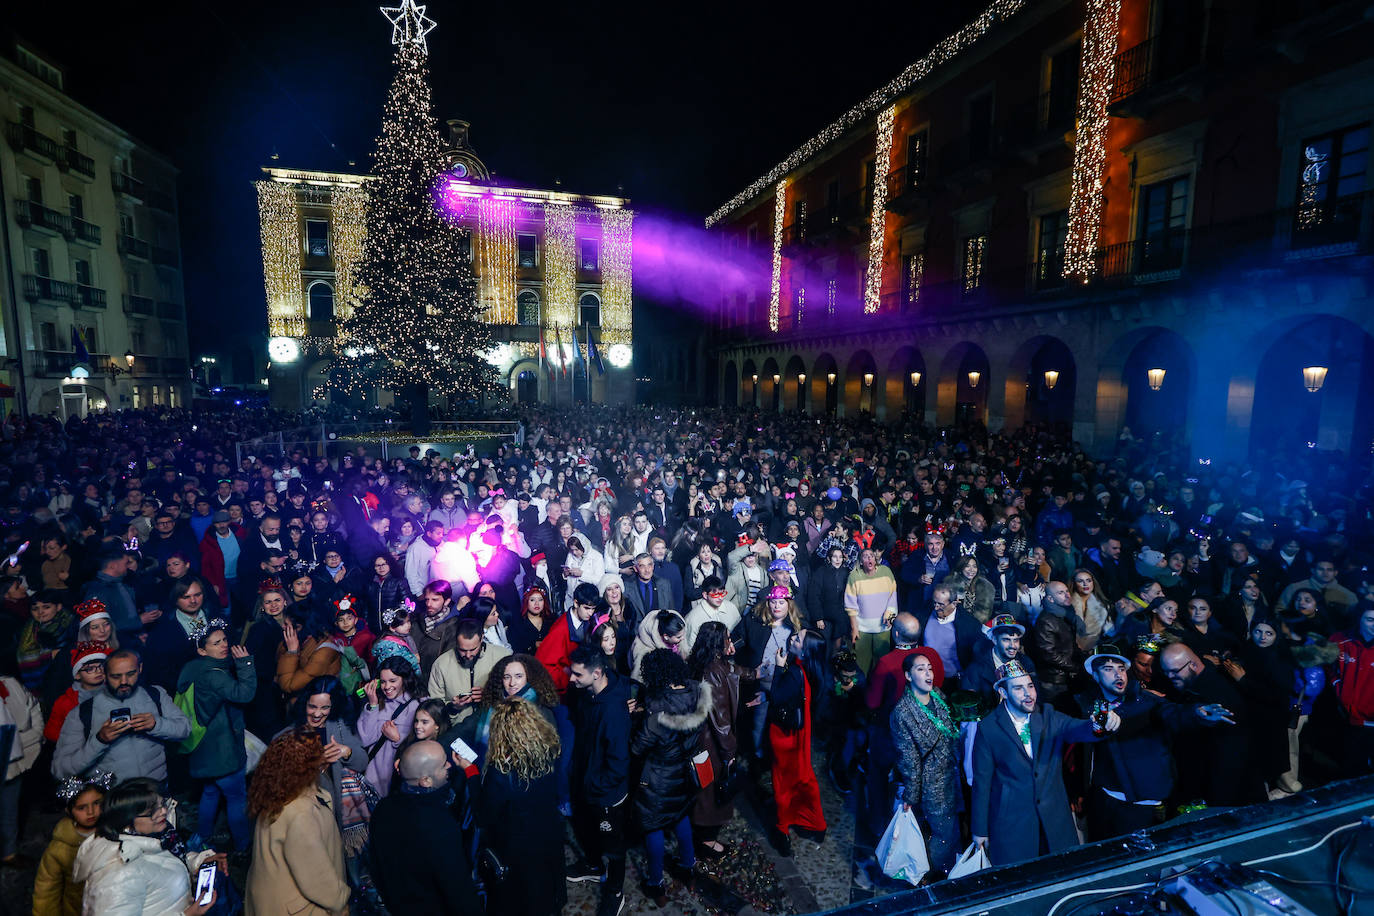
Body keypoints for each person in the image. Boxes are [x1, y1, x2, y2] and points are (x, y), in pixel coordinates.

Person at [1073, 645, 1234, 841]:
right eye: (1108, 669)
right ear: (1096, 676)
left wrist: (1196, 713)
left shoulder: (1146, 701)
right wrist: (1079, 791)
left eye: (1121, 668)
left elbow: (1173, 713)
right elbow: (1079, 752)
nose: (1118, 675)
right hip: (1105, 799)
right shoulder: (1085, 706)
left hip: (1142, 804)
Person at [970, 659, 1119, 866]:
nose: (1028, 694)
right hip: (1012, 824)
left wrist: (1101, 725)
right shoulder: (988, 728)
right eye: (1019, 688)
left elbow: (1079, 729)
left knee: (1061, 876)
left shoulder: (1049, 716)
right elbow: (981, 782)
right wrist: (979, 829)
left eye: (1030, 686)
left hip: (1054, 820)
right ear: (1003, 693)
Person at [459, 698, 565, 916]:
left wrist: (470, 771)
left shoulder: (501, 773)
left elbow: (483, 816)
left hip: (516, 849)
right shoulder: (549, 752)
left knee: (519, 900)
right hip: (548, 839)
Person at [71, 777, 219, 916]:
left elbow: (164, 862)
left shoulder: (156, 835)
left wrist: (198, 862)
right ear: (127, 821)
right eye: (151, 811)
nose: (162, 812)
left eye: (162, 804)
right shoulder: (119, 873)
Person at [369, 740, 482, 916]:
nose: (449, 766)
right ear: (426, 781)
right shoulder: (439, 825)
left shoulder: (383, 808)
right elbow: (457, 889)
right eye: (443, 764)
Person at [244, 731, 351, 916]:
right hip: (297, 908)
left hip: (269, 900)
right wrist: (341, 900)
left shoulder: (275, 794)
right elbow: (317, 879)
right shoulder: (301, 814)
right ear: (305, 767)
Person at [631, 649, 708, 905]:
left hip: (658, 777)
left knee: (654, 827)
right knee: (680, 816)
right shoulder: (697, 691)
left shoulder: (656, 707)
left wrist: (636, 717)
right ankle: (687, 868)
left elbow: (638, 747)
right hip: (685, 771)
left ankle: (656, 886)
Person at [175, 619, 256, 853]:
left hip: (202, 746)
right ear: (202, 650)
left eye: (224, 640)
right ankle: (242, 847)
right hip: (223, 750)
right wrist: (245, 664)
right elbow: (244, 694)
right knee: (236, 798)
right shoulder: (214, 674)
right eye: (215, 643)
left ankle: (203, 839)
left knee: (210, 792)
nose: (223, 645)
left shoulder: (192, 667)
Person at [53, 648, 191, 783]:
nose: (124, 682)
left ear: (140, 668)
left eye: (131, 674)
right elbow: (60, 770)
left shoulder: (156, 694)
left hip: (156, 789)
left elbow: (185, 730)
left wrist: (156, 724)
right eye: (116, 676)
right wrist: (100, 740)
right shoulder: (82, 712)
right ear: (105, 674)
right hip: (112, 799)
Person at [565, 646, 632, 916]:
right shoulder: (588, 694)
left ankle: (615, 892)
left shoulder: (613, 711)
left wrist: (596, 786)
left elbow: (618, 761)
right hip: (587, 781)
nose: (571, 679)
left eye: (577, 674)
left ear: (597, 673)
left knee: (613, 846)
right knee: (587, 830)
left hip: (606, 793)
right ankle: (593, 866)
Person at [1158, 642, 1266, 806]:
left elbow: (1228, 754)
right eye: (1166, 672)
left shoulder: (1216, 694)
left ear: (1193, 665)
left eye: (1174, 671)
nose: (1169, 677)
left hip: (1227, 787)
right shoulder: (1198, 682)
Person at [280, 677, 369, 860]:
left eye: (324, 708)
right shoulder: (291, 734)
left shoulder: (338, 727)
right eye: (312, 706)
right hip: (305, 813)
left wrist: (347, 752)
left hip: (334, 813)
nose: (317, 714)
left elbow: (361, 762)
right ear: (304, 704)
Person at [891, 648, 960, 875]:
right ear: (909, 676)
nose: (928, 673)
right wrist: (910, 796)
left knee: (949, 830)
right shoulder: (902, 713)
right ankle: (936, 877)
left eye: (929, 668)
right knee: (943, 833)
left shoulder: (938, 694)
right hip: (933, 784)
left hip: (952, 774)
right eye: (921, 669)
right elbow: (908, 759)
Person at [767, 628, 829, 856]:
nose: (792, 638)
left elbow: (776, 696)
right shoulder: (812, 671)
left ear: (805, 651)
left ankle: (782, 830)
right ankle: (815, 824)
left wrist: (778, 666)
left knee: (783, 783)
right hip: (800, 735)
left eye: (798, 639)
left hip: (786, 736)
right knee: (803, 779)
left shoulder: (794, 672)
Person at [686, 621, 740, 858]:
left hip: (699, 739)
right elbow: (721, 719)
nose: (731, 640)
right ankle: (706, 842)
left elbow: (732, 671)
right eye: (727, 637)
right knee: (710, 792)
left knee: (703, 789)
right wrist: (729, 752)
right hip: (711, 744)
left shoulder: (702, 663)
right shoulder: (712, 671)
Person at [35, 772, 111, 916]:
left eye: (97, 803)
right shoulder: (59, 849)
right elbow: (46, 891)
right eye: (81, 808)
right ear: (69, 811)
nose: (91, 812)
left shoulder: (115, 834)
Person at [358, 654, 422, 796]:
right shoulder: (377, 702)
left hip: (400, 782)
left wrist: (397, 740)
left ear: (405, 679)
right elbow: (365, 739)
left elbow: (424, 745)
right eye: (383, 682)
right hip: (373, 781)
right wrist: (373, 704)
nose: (387, 687)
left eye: (393, 681)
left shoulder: (419, 705)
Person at [428, 616, 510, 724]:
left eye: (473, 649)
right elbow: (434, 706)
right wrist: (453, 707)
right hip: (457, 729)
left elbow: (516, 695)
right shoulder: (441, 664)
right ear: (456, 642)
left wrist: (489, 695)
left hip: (494, 725)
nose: (468, 655)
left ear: (482, 639)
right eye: (462, 650)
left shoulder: (503, 656)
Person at [1331, 605, 1374, 776]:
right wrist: (1337, 684)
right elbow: (1328, 666)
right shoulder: (1340, 641)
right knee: (1352, 767)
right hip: (1351, 718)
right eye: (1370, 619)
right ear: (1359, 620)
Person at [534, 582, 600, 694]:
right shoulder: (560, 630)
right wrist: (570, 675)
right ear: (575, 603)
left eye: (593, 609)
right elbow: (542, 665)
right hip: (567, 691)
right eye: (587, 608)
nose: (590, 613)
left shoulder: (587, 621)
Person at [963, 614, 1038, 706]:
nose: (1013, 646)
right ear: (994, 640)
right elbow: (970, 704)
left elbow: (1036, 698)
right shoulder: (976, 669)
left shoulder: (1026, 664)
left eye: (1016, 640)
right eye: (1006, 640)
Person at [845, 548, 900, 673]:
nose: (869, 558)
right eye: (865, 556)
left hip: (882, 627)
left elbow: (893, 596)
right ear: (860, 561)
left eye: (871, 555)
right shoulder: (854, 576)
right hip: (862, 628)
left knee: (881, 664)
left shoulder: (886, 572)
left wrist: (890, 616)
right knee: (861, 662)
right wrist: (854, 629)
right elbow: (850, 605)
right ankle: (861, 689)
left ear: (875, 559)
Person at [275, 608, 341, 698]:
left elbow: (289, 686)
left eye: (286, 624)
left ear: (299, 627)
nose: (283, 626)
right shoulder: (297, 641)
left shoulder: (325, 651)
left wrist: (292, 652)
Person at [682, 576, 741, 651]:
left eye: (722, 593)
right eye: (715, 594)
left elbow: (739, 633)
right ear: (705, 595)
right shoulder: (693, 618)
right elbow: (689, 649)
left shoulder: (731, 608)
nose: (720, 598)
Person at [630, 609, 688, 681]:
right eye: (678, 637)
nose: (683, 638)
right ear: (666, 636)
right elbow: (637, 682)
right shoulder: (643, 652)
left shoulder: (678, 640)